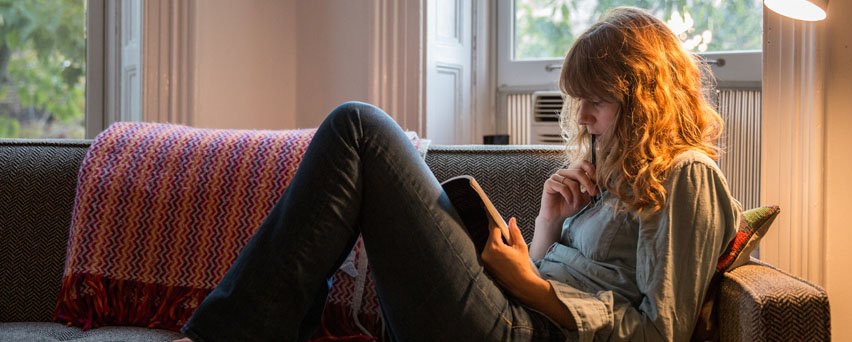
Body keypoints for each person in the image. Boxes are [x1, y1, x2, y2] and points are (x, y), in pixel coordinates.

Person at [177, 6, 739, 342]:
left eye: (598, 100)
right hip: (515, 311)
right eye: (579, 100)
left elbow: (661, 333)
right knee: (359, 135)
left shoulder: (687, 177)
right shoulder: (606, 175)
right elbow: (554, 276)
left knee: (360, 128)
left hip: (524, 331)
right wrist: (546, 226)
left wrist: (532, 287)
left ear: (643, 98)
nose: (584, 117)